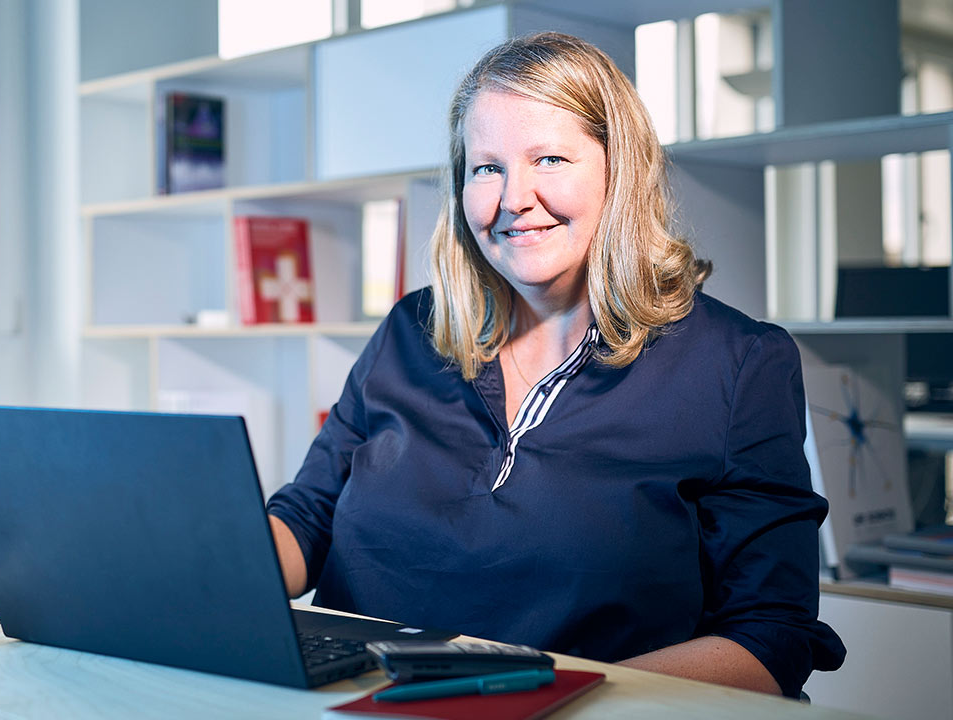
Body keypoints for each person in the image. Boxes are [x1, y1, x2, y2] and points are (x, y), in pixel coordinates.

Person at [265, 32, 846, 698]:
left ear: (616, 171)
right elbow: (306, 519)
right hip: (349, 703)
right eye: (486, 168)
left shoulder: (739, 364)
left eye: (548, 158)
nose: (515, 197)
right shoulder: (411, 330)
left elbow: (769, 639)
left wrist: (542, 693)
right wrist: (200, 572)